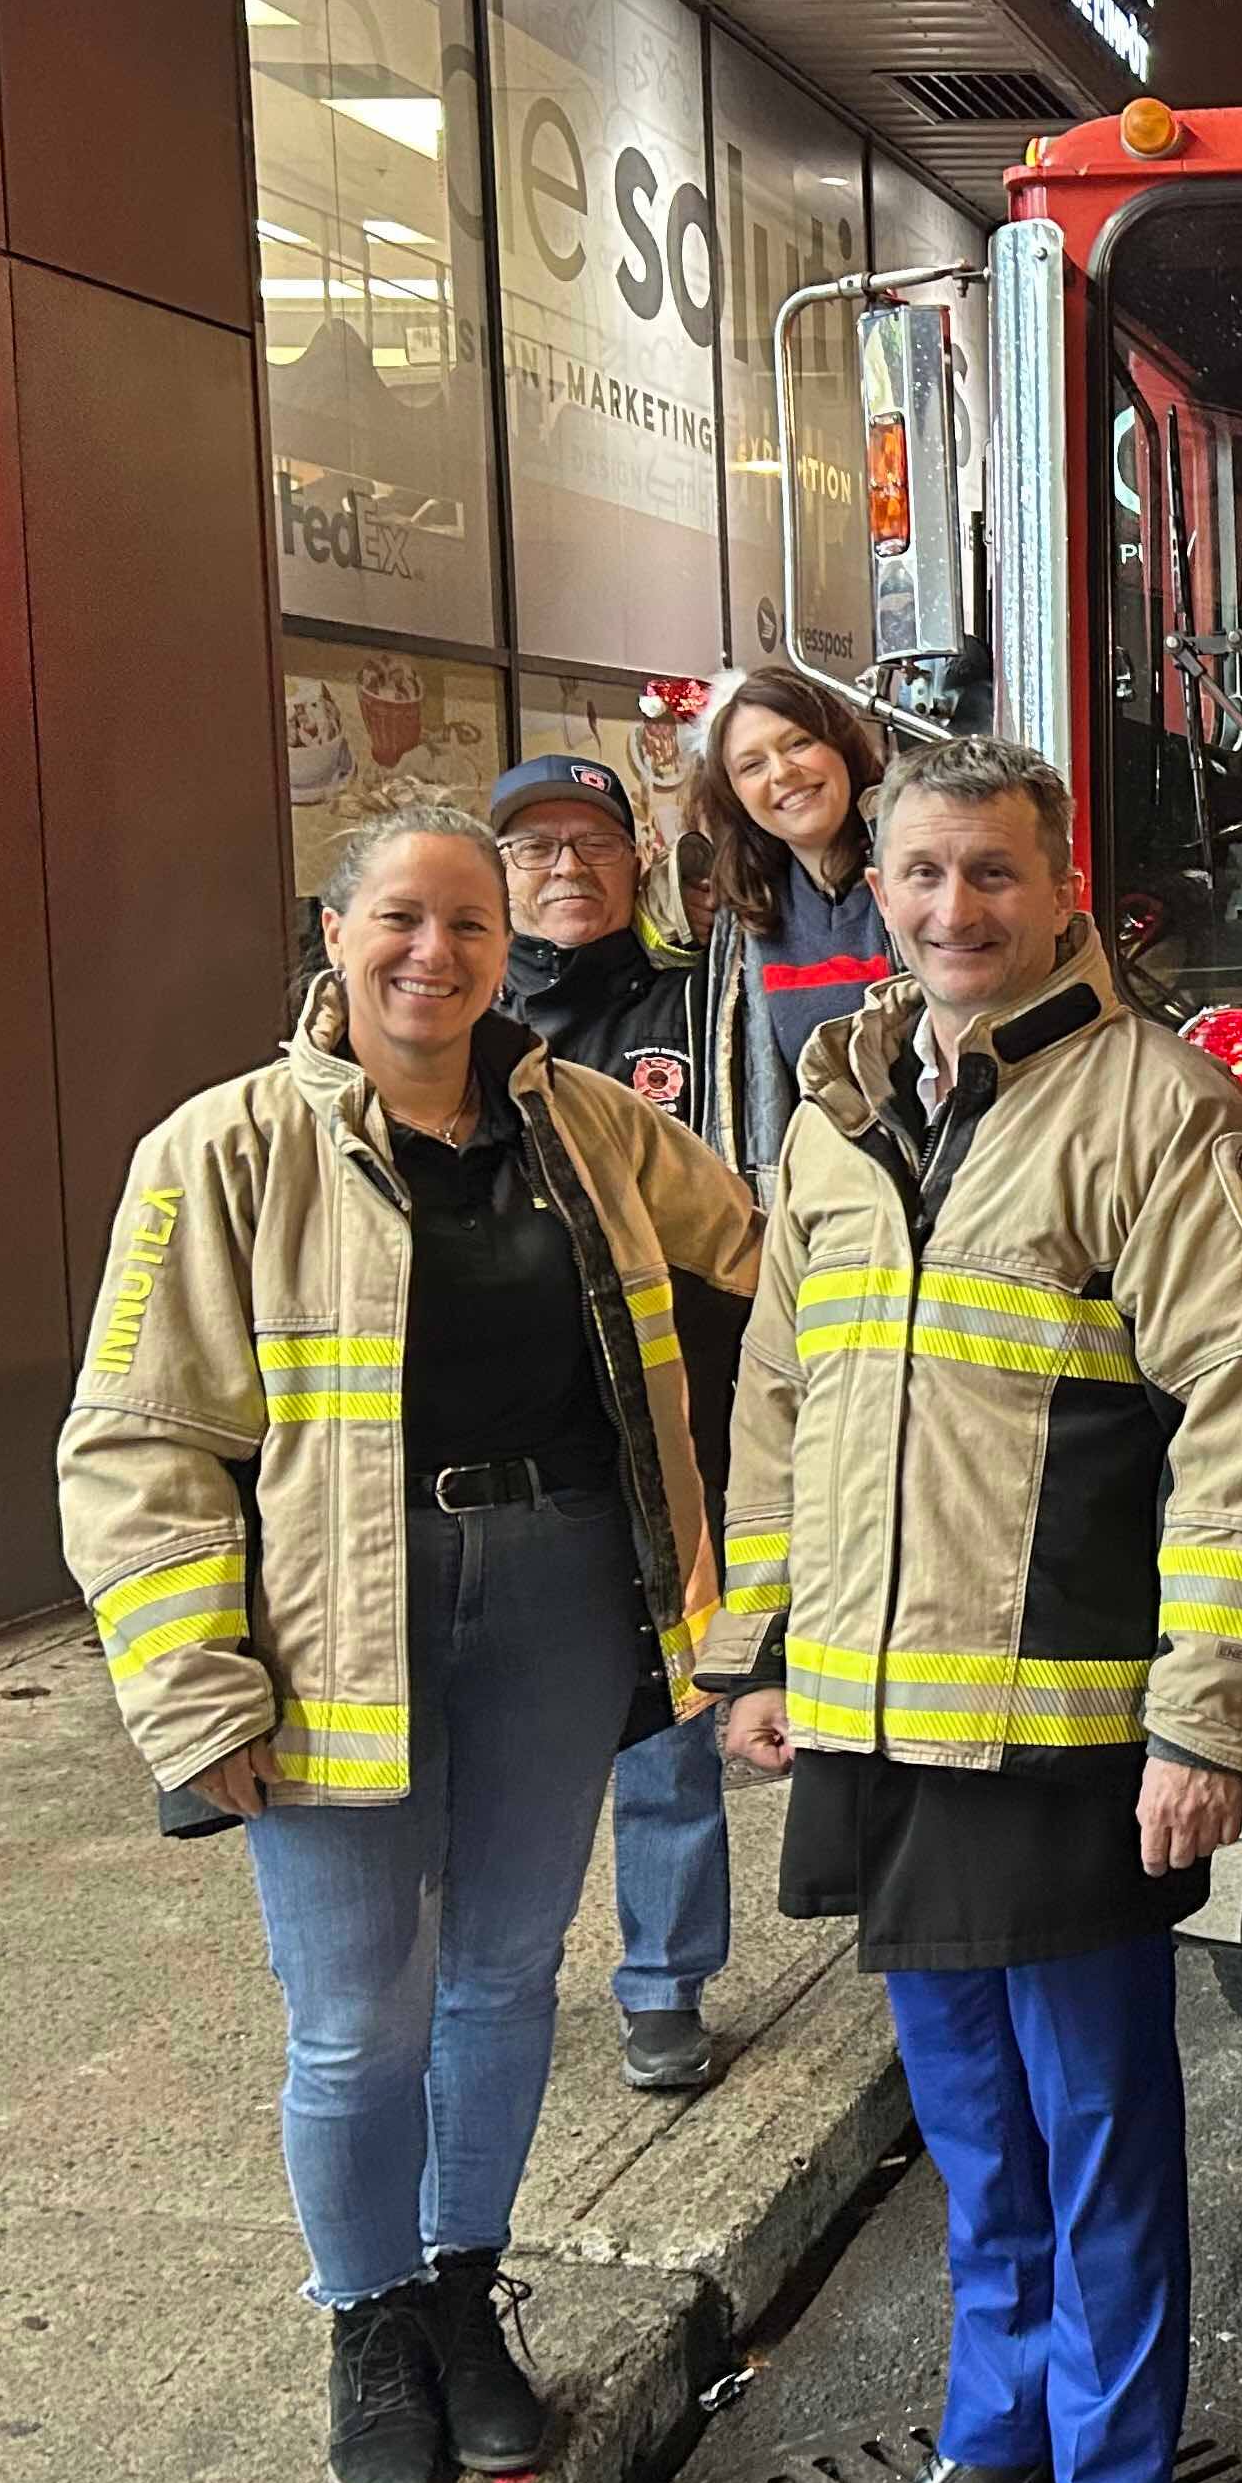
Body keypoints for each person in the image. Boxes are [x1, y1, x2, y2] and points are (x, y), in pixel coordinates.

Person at [58, 805, 759, 2483]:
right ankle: (365, 2321)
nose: (433, 952)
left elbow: (782, 1267)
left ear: (505, 942)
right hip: (330, 1629)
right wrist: (191, 1686)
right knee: (357, 2017)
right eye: (400, 919)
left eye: (467, 921)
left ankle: (462, 2286)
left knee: (505, 1978)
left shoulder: (595, 1125)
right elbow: (135, 1439)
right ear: (333, 930)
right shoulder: (216, 1151)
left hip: (556, 1589)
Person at [703, 737, 1242, 2483]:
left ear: (1064, 891)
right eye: (920, 875)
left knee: (1102, 2133)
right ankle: (998, 2439)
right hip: (884, 1722)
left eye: (992, 873)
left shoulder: (1157, 1108)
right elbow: (784, 1399)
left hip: (1072, 1740)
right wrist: (762, 1647)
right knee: (977, 2132)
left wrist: (1204, 1713)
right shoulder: (837, 1114)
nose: (953, 908)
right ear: (872, 890)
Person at [488, 753, 743, 2095]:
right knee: (506, 1744)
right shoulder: (450, 1025)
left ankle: (665, 1980)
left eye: (593, 844)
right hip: (509, 1437)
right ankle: (496, 1977)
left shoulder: (699, 1010)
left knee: (669, 1719)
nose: (567, 869)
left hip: (664, 1424)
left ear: (637, 864)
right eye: (535, 850)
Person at [690, 667, 894, 1176]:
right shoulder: (743, 922)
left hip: (942, 1191)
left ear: (842, 746)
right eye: (752, 765)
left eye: (799, 742)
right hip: (814, 1205)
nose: (782, 773)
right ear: (734, 794)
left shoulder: (921, 872)